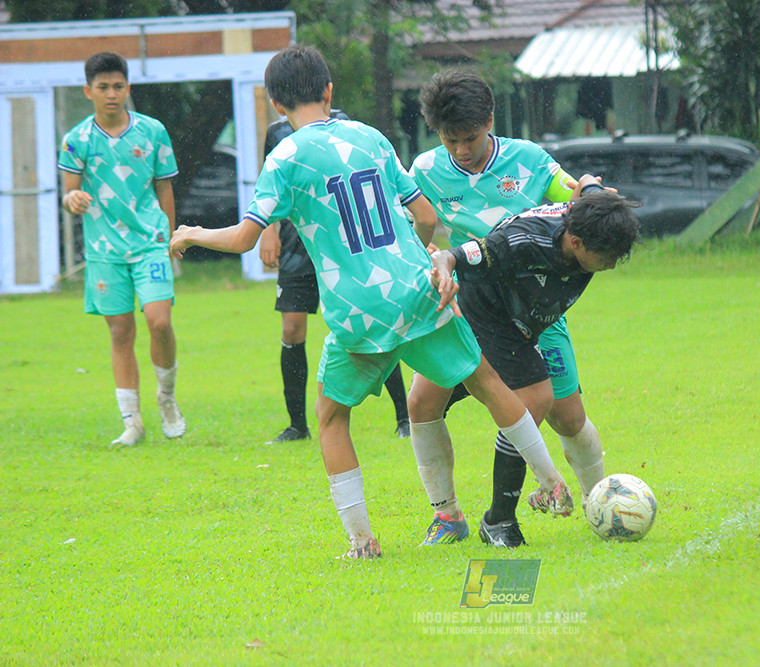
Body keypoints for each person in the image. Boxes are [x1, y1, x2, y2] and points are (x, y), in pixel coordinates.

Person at [169, 45, 572, 559]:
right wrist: (427, 256)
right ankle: (552, 482)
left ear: (275, 104)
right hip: (416, 289)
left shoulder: (284, 159)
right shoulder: (369, 136)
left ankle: (363, 542)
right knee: (488, 381)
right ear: (329, 91)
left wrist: (193, 233)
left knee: (332, 417)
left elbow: (247, 239)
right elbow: (426, 217)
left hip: (356, 311)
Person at [408, 71, 608, 546]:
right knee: (420, 401)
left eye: (470, 138)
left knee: (567, 416)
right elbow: (409, 228)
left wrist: (592, 190)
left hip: (537, 312)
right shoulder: (423, 171)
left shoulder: (529, 160)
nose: (460, 149)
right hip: (469, 308)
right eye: (449, 139)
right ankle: (448, 516)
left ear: (490, 121)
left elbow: (576, 201)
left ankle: (600, 503)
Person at [411, 183, 640, 547]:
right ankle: (488, 520)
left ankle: (571, 501)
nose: (611, 265)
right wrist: (440, 263)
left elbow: (588, 190)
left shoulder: (584, 222)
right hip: (482, 316)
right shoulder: (519, 242)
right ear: (577, 243)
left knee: (562, 415)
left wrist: (591, 183)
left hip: (525, 324)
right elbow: (458, 255)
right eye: (606, 257)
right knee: (527, 399)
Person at [258, 112, 411, 444]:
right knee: (291, 328)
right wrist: (269, 232)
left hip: (342, 246)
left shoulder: (346, 127)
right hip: (297, 243)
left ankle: (404, 417)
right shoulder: (278, 134)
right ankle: (297, 425)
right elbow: (270, 187)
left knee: (371, 322)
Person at [58, 51, 186, 447]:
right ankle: (133, 422)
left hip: (149, 242)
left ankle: (166, 397)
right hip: (103, 250)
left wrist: (171, 236)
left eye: (118, 86)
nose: (111, 94)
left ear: (128, 88)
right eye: (103, 88)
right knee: (120, 332)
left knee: (159, 321)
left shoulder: (153, 132)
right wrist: (73, 200)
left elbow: (165, 187)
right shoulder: (76, 139)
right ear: (88, 91)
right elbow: (69, 193)